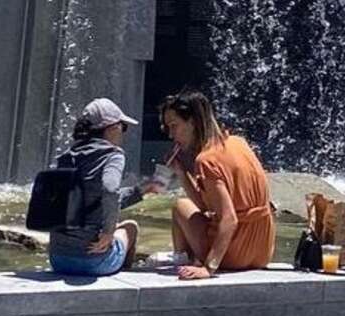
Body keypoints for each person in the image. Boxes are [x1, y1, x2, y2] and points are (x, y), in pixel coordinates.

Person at [159, 90, 275, 279]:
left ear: (193, 122)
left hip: (235, 255)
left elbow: (229, 219)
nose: (171, 134)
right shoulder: (239, 142)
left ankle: (185, 260)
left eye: (174, 126)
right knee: (186, 205)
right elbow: (206, 206)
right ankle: (189, 259)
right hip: (262, 251)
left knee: (180, 206)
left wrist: (209, 268)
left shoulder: (206, 160)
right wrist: (181, 172)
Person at [48, 98, 158, 277]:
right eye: (123, 126)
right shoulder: (112, 155)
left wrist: (142, 190)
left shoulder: (66, 157)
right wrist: (108, 232)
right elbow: (109, 190)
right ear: (111, 127)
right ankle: (122, 283)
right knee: (130, 227)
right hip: (94, 261)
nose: (123, 132)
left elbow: (97, 198)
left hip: (58, 259)